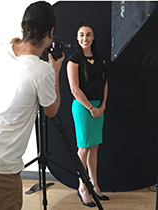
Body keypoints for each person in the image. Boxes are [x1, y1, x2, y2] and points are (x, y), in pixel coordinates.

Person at [0, 1, 64, 210]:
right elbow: (51, 110)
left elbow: (12, 47)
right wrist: (55, 70)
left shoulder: (3, 50)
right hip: (4, 165)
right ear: (51, 31)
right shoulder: (42, 71)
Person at [67, 21, 108, 207]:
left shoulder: (101, 58)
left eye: (89, 34)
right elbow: (75, 89)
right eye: (82, 34)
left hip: (99, 107)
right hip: (84, 109)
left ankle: (95, 185)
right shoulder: (73, 60)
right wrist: (91, 108)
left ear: (94, 37)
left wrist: (103, 105)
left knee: (94, 147)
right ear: (77, 37)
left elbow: (104, 83)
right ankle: (82, 187)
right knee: (83, 148)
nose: (85, 38)